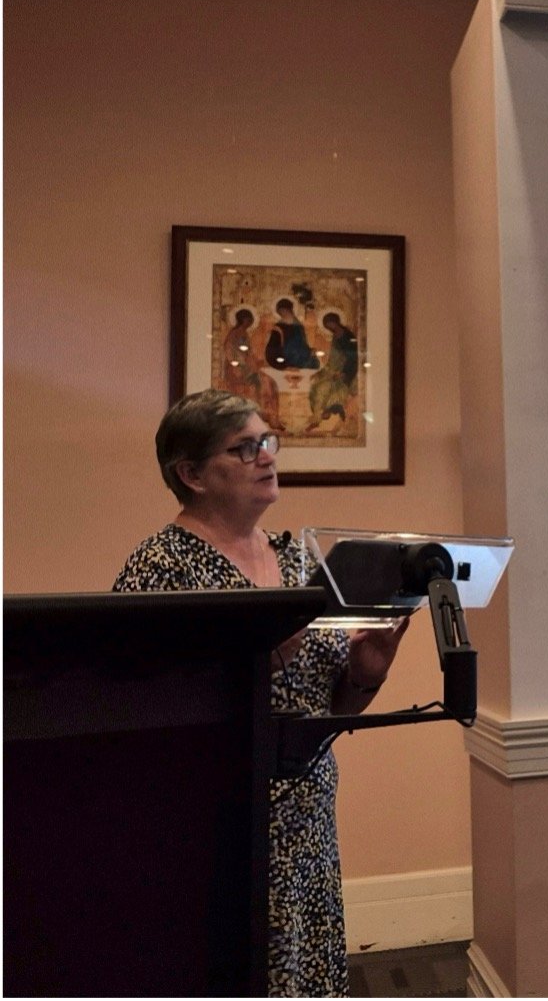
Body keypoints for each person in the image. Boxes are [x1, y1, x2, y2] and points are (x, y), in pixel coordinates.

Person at [112, 389, 408, 997]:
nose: (267, 457)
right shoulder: (162, 567)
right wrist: (264, 650)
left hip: (309, 818)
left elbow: (330, 710)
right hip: (220, 824)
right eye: (244, 448)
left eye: (267, 441)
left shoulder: (296, 558)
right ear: (191, 474)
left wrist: (366, 672)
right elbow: (143, 715)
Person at [308, 311, 359, 430]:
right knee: (315, 386)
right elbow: (331, 361)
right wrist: (319, 372)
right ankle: (319, 415)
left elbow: (353, 358)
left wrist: (344, 373)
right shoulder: (335, 337)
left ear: (335, 322)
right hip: (332, 371)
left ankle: (322, 415)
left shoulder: (348, 336)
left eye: (330, 324)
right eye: (327, 326)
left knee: (324, 388)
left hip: (345, 373)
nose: (329, 328)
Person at [266, 297, 320, 370]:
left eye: (287, 311)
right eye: (281, 312)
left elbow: (303, 344)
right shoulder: (278, 327)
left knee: (315, 363)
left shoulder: (299, 326)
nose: (283, 314)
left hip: (300, 356)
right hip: (287, 357)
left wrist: (310, 351)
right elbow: (272, 349)